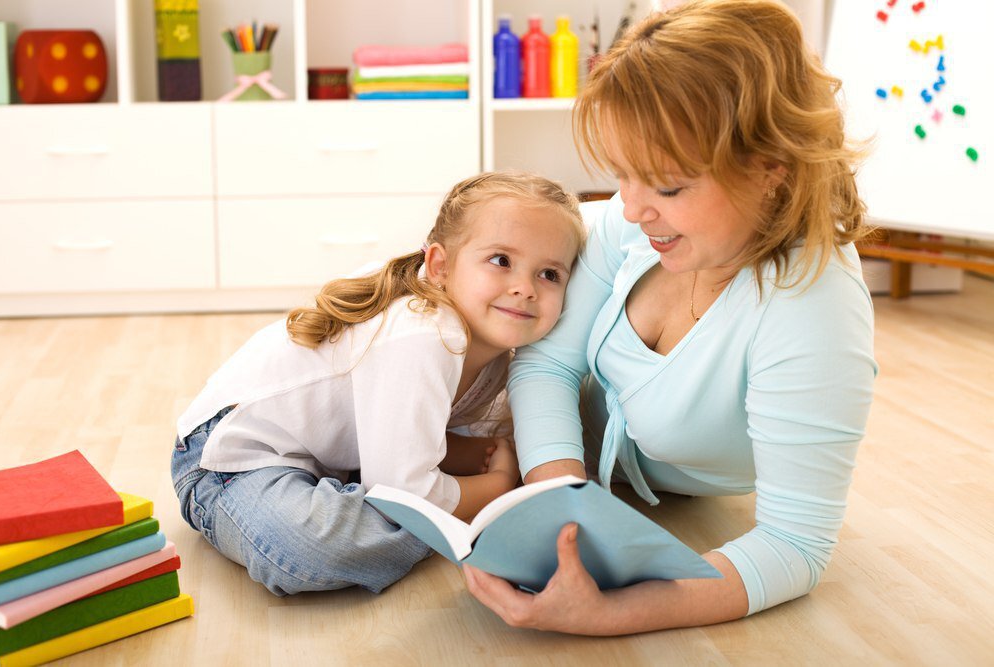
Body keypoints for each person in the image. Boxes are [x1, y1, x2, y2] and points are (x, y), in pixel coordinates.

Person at [463, 0, 878, 634]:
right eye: (622, 176)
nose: (631, 210)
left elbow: (795, 545)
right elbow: (546, 363)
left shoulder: (813, 307)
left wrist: (611, 611)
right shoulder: (637, 225)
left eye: (668, 187)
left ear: (770, 170)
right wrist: (562, 510)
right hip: (508, 416)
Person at [171, 172, 585, 596]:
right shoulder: (426, 333)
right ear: (440, 266)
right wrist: (495, 486)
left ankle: (388, 499)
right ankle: (434, 518)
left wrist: (474, 459)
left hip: (326, 460)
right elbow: (406, 491)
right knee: (310, 547)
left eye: (549, 274)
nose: (525, 289)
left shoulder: (499, 356)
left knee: (399, 499)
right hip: (228, 457)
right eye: (501, 261)